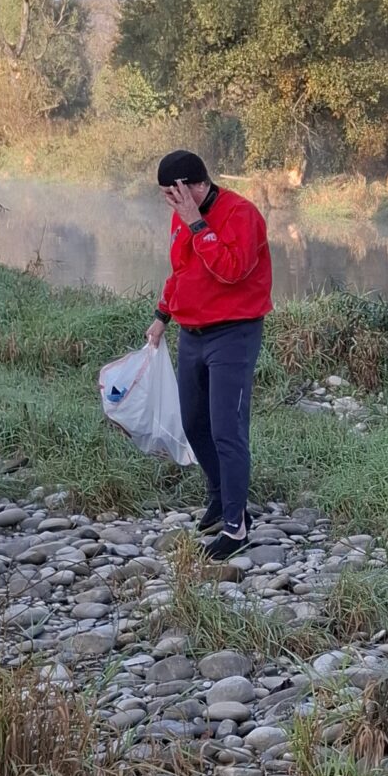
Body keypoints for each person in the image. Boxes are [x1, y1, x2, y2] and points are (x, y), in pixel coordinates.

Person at [144, 149, 273, 560]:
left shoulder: (241, 214)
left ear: (191, 186)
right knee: (193, 421)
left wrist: (197, 224)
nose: (169, 202)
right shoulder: (181, 217)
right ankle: (220, 497)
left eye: (172, 193)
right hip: (192, 332)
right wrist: (163, 315)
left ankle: (237, 530)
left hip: (234, 333)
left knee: (226, 429)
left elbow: (233, 270)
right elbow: (181, 271)